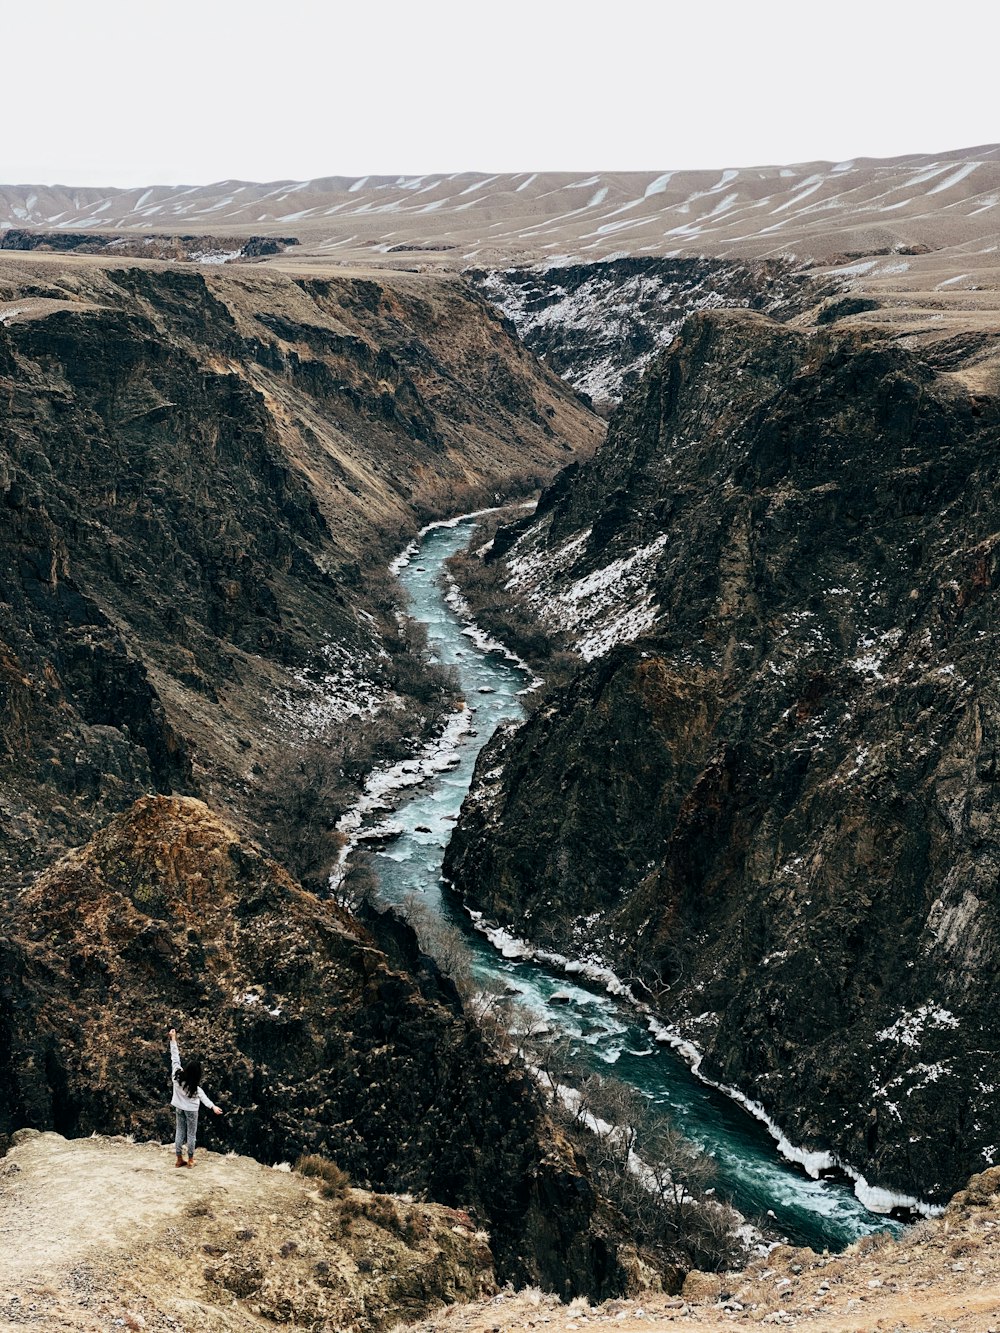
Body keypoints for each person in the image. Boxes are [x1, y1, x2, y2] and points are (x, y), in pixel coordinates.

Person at [168, 1026, 222, 1168]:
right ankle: (190, 1160)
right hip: (191, 1110)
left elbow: (175, 1057)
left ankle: (179, 1159)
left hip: (179, 1107)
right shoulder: (195, 1088)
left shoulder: (176, 1075)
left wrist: (173, 1039)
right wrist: (213, 1107)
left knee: (180, 1132)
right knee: (191, 1134)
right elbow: (203, 1098)